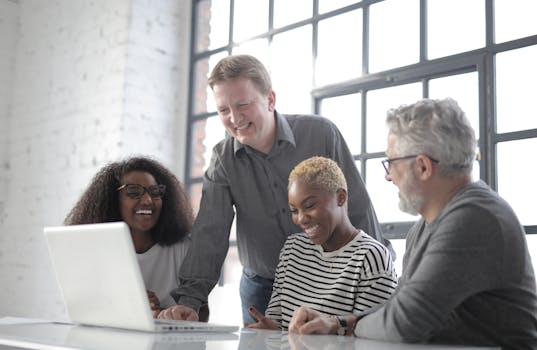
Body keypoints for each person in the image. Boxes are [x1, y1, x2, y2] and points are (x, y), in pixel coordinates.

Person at [158, 54, 392, 325]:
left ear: (270, 99)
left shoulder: (321, 134)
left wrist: (379, 271)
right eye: (223, 110)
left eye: (243, 105)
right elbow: (210, 232)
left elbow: (357, 207)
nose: (234, 118)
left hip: (330, 282)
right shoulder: (223, 159)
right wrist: (190, 300)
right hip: (263, 288)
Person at [288, 98, 537, 349]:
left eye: (391, 162)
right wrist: (338, 323)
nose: (387, 176)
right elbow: (399, 309)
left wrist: (347, 326)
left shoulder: (475, 218)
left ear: (423, 167)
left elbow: (402, 322)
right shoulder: (424, 227)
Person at [246, 156, 397, 331]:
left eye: (309, 205)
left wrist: (330, 330)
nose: (301, 219)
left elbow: (373, 336)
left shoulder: (371, 257)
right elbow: (280, 326)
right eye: (294, 210)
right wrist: (270, 332)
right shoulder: (292, 250)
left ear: (340, 197)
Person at [64, 156, 209, 320]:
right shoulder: (93, 250)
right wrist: (127, 308)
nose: (148, 200)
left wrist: (165, 313)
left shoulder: (183, 248)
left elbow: (203, 313)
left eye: (155, 192)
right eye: (133, 192)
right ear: (112, 200)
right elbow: (81, 312)